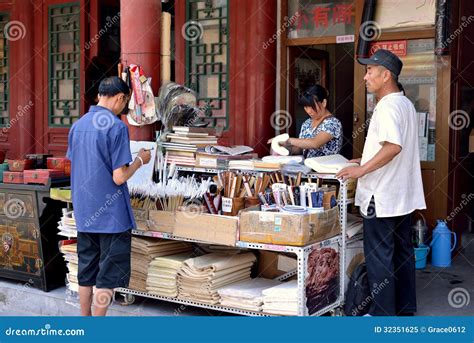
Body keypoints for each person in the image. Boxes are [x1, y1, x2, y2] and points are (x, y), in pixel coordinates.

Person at [337, 49, 426, 316]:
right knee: (402, 252)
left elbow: (393, 147)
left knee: (379, 257)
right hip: (401, 195)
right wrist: (360, 159)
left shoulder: (387, 106)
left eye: (370, 71)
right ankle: (405, 308)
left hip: (382, 195)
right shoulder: (405, 104)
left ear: (385, 75)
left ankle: (382, 315)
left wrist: (361, 169)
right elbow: (390, 146)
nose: (365, 77)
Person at [66, 76, 152, 316]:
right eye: (124, 103)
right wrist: (139, 161)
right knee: (107, 275)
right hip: (112, 217)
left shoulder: (78, 125)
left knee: (86, 269)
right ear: (120, 98)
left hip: (85, 211)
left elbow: (78, 165)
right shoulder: (116, 127)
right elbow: (119, 177)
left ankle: (84, 322)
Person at [268, 85, 343, 158]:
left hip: (325, 169)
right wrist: (283, 148)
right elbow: (301, 149)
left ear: (324, 103)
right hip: (307, 168)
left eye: (312, 106)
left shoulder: (333, 123)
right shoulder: (307, 123)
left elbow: (315, 143)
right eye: (306, 107)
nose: (309, 111)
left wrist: (287, 140)